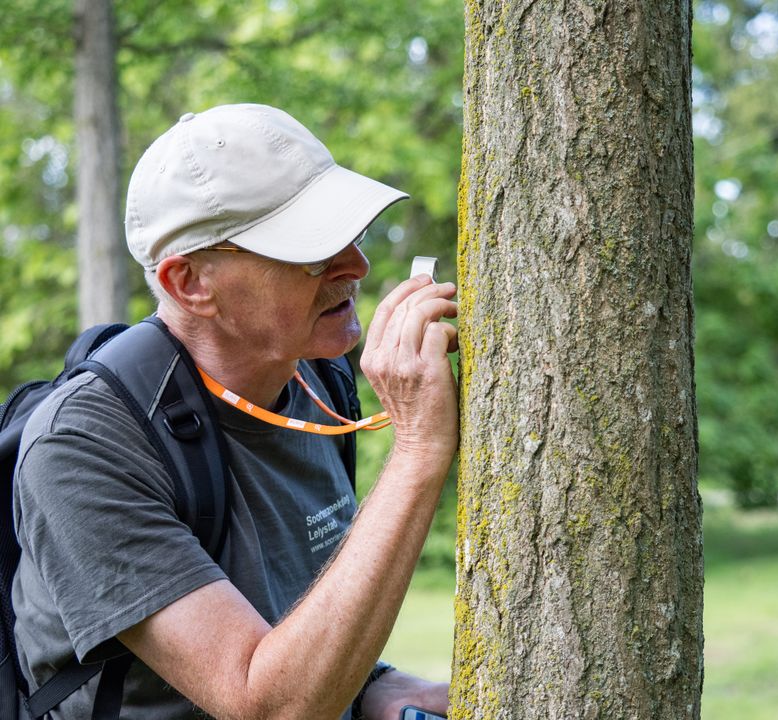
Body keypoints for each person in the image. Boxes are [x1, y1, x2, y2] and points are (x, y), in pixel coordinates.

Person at [12, 103, 458, 719]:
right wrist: (418, 451)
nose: (357, 265)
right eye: (311, 250)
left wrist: (380, 688)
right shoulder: (81, 447)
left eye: (349, 232)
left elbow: (292, 611)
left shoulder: (319, 382)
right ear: (190, 282)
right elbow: (269, 707)